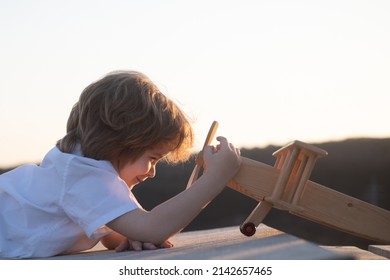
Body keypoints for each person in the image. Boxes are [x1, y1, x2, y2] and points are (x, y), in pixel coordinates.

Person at [0, 71, 241, 258]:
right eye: (152, 159)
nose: (152, 172)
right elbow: (153, 227)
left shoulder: (82, 170)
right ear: (120, 141)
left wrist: (130, 234)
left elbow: (117, 232)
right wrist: (215, 178)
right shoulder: (83, 176)